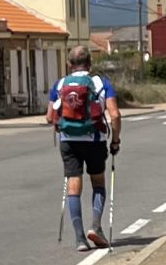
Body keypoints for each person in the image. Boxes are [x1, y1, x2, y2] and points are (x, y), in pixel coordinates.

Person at [47, 43, 121, 250]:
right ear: (90, 63)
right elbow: (114, 114)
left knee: (73, 185)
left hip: (69, 141)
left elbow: (49, 117)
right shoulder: (100, 82)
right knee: (98, 183)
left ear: (69, 64)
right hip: (94, 139)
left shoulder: (60, 84)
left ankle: (80, 239)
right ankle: (95, 227)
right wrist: (115, 140)